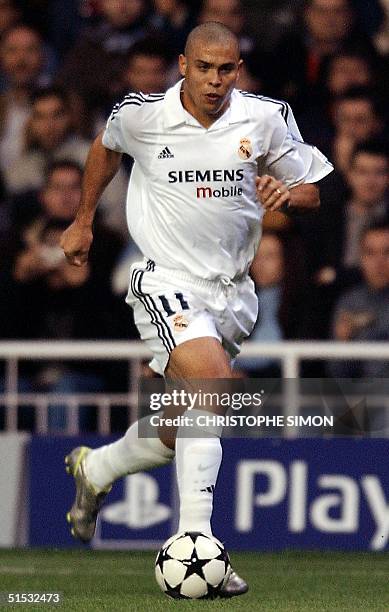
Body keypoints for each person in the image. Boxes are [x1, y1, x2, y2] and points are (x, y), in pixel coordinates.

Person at [61, 22, 332, 597]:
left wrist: (290, 194)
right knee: (212, 383)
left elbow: (311, 187)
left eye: (227, 69)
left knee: (187, 418)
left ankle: (99, 468)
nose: (215, 80)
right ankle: (197, 544)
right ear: (183, 65)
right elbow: (104, 150)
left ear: (238, 69)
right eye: (205, 68)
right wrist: (83, 219)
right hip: (166, 278)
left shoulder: (264, 117)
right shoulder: (141, 115)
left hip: (234, 290)